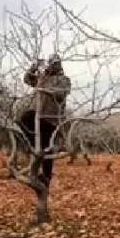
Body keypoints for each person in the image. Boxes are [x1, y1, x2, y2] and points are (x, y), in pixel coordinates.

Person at [20, 54, 72, 185]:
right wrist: (34, 67)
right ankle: (31, 147)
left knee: (47, 148)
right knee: (24, 118)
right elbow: (27, 79)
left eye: (56, 63)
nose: (54, 65)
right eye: (51, 63)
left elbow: (61, 94)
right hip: (40, 116)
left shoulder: (64, 79)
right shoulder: (42, 78)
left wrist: (45, 89)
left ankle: (46, 177)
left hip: (53, 119)